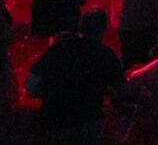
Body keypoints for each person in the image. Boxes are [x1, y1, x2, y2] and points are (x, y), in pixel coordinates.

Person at [23, 9, 123, 145]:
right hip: (87, 122)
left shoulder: (59, 48)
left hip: (55, 121)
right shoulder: (105, 55)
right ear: (103, 30)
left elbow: (31, 85)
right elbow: (121, 90)